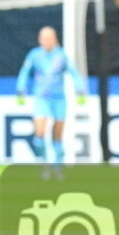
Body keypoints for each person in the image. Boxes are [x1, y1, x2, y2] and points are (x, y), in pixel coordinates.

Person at [15, 26, 87, 179]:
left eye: (49, 38)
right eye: (43, 38)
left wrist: (80, 89)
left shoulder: (61, 56)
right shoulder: (34, 55)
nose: (46, 41)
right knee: (40, 132)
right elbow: (24, 72)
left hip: (59, 100)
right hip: (41, 99)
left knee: (58, 136)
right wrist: (20, 89)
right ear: (39, 40)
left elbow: (73, 73)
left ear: (54, 39)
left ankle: (57, 167)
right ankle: (45, 163)